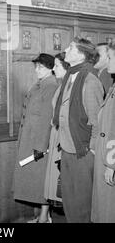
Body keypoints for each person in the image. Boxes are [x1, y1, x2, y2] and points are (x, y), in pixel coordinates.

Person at [52, 37, 104, 223]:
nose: (66, 49)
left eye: (71, 47)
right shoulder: (70, 76)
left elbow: (98, 123)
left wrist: (91, 150)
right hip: (67, 149)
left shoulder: (90, 81)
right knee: (69, 201)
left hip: (82, 152)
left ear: (81, 54)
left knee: (82, 205)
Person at [13, 53, 58, 223]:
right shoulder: (39, 84)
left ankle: (45, 217)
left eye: (42, 67)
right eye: (36, 66)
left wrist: (40, 146)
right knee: (35, 182)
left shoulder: (51, 85)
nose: (37, 70)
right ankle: (39, 216)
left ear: (51, 68)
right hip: (31, 139)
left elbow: (47, 118)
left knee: (42, 182)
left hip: (39, 144)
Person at [92, 41, 115, 222]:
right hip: (105, 153)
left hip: (111, 158)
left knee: (108, 209)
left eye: (111, 56)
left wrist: (111, 164)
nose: (108, 60)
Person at [44, 52, 70, 209]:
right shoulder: (62, 85)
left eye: (57, 65)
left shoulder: (69, 86)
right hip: (56, 135)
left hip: (63, 138)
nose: (53, 69)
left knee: (61, 182)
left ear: (67, 67)